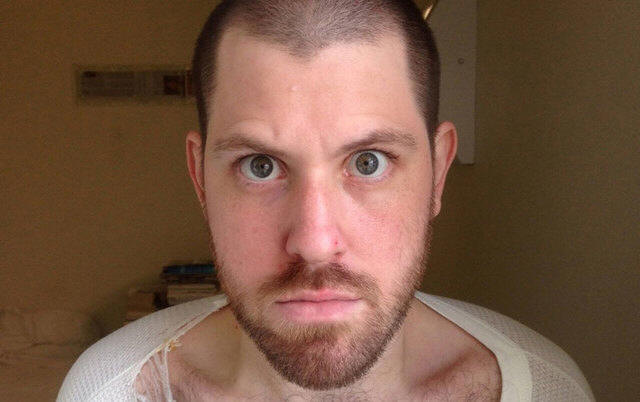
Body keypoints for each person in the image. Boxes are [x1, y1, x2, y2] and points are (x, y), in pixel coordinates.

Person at [58, 1, 595, 400]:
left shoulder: (546, 389)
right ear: (201, 180)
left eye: (369, 162)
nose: (315, 242)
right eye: (260, 166)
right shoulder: (108, 391)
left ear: (437, 174)